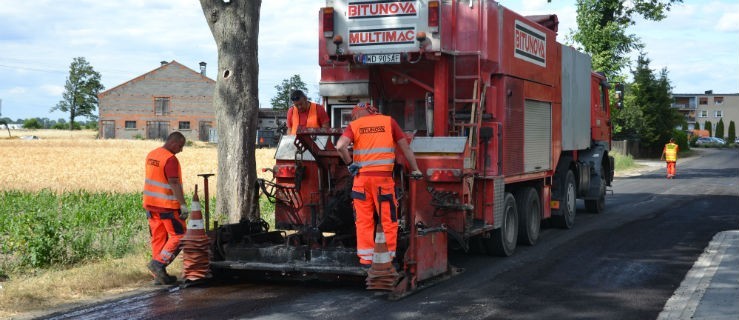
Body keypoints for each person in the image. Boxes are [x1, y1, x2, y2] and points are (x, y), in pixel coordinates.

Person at [335, 102, 422, 267]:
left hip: (361, 180)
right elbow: (406, 149)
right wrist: (416, 169)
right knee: (388, 219)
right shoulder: (389, 122)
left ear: (357, 114)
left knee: (363, 220)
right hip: (383, 180)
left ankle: (366, 259)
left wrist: (350, 164)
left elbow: (340, 146)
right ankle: (386, 259)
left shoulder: (355, 125)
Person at [143, 131, 189, 284]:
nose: (181, 150)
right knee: (180, 236)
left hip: (151, 205)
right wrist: (182, 205)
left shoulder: (152, 154)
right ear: (174, 143)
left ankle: (159, 277)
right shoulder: (170, 160)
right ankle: (158, 264)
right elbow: (174, 183)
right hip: (167, 207)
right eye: (181, 146)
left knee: (158, 239)